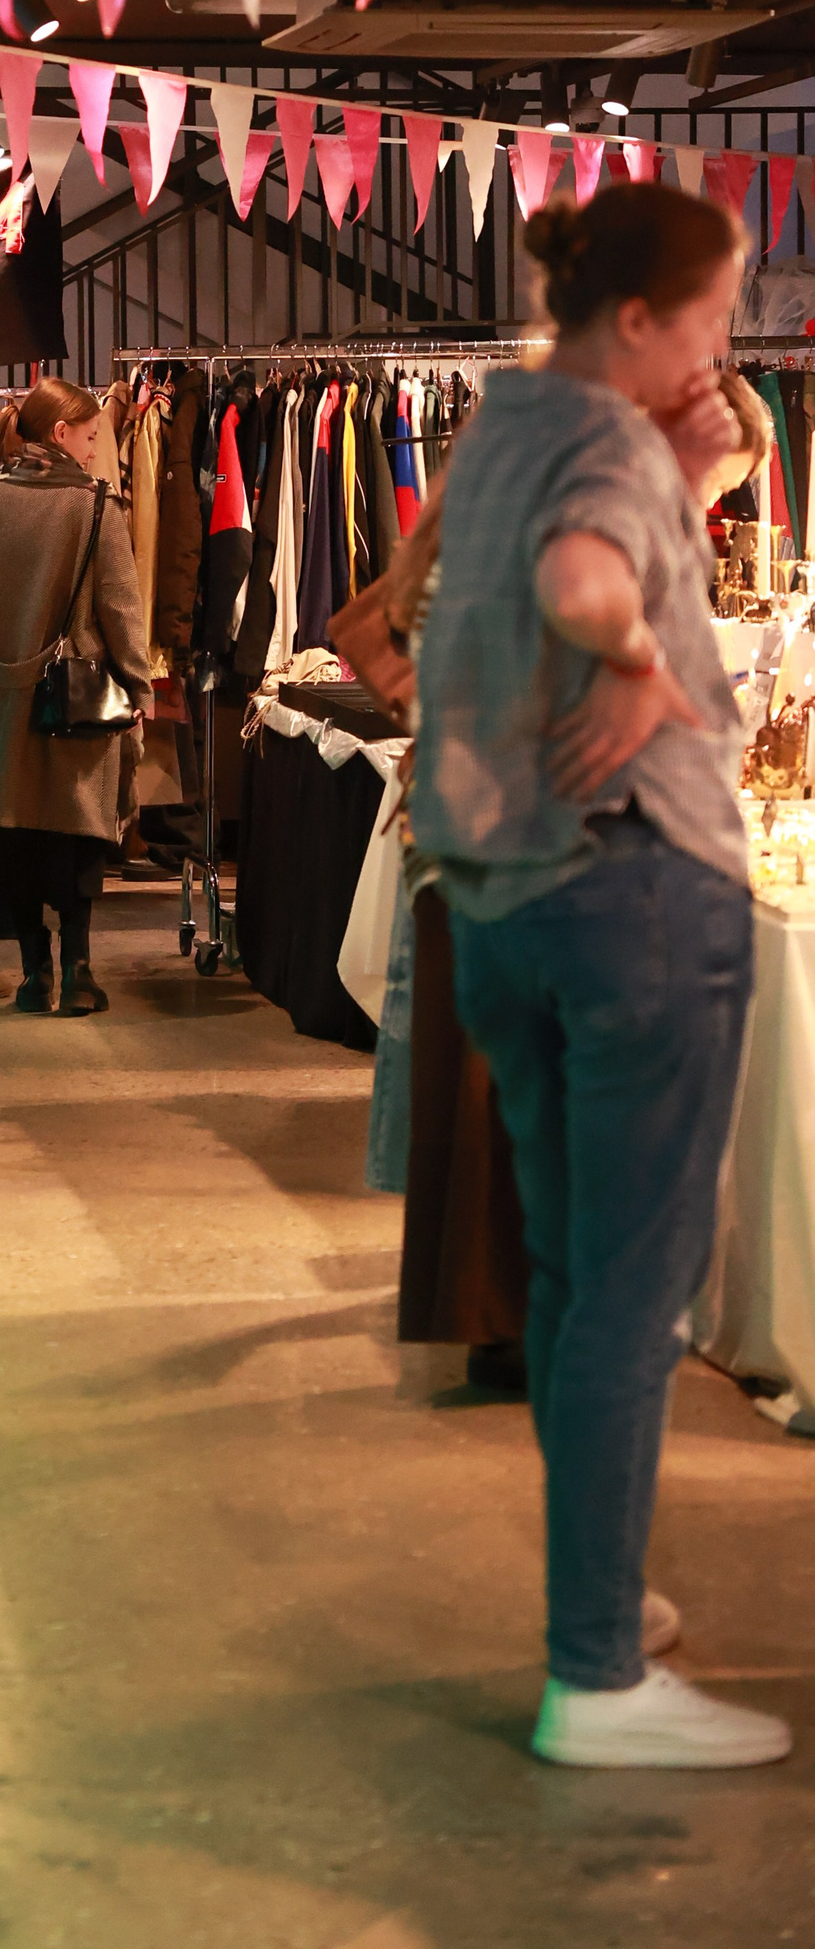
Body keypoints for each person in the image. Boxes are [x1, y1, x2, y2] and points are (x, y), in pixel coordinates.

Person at [411, 183, 786, 1770]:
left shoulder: (507, 422)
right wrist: (634, 658)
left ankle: (602, 1608)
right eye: (711, 316)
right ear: (637, 320)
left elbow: (533, 565)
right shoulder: (608, 446)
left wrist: (682, 481)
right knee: (636, 1295)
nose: (723, 346)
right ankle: (598, 1679)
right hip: (632, 891)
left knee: (576, 1278)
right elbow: (581, 579)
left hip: (505, 899)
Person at [0, 378, 155, 1015]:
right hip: (71, 703)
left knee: (13, 834)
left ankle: (35, 976)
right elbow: (121, 608)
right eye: (90, 437)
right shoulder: (94, 505)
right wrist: (138, 685)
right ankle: (80, 975)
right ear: (60, 434)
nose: (94, 451)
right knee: (73, 836)